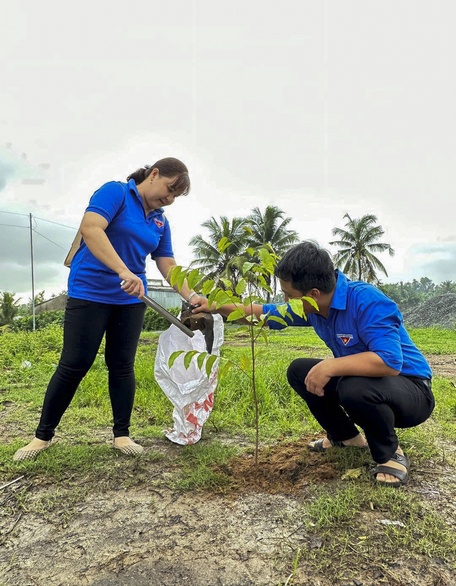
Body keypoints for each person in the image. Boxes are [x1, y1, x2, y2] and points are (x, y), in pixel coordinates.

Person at [198, 240, 435, 487]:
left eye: (289, 295)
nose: (286, 300)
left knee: (353, 387)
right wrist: (214, 306)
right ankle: (346, 437)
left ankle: (389, 453)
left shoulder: (367, 301)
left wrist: (329, 366)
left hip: (412, 391)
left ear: (313, 295)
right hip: (371, 384)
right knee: (300, 371)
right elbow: (265, 313)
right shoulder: (313, 308)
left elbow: (389, 362)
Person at [14, 157, 204, 461]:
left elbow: (166, 262)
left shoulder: (159, 220)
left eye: (174, 197)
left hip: (130, 299)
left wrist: (190, 294)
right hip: (91, 290)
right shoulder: (115, 193)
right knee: (74, 363)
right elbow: (92, 229)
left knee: (121, 365)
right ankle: (42, 437)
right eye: (168, 190)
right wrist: (123, 271)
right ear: (154, 174)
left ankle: (121, 434)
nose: (168, 199)